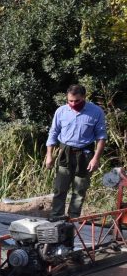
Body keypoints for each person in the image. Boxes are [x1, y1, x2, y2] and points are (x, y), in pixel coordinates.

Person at [45, 84, 107, 219]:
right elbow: (53, 132)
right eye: (70, 101)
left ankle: (73, 220)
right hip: (65, 152)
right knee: (60, 188)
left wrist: (96, 158)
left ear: (84, 97)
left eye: (77, 101)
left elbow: (101, 137)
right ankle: (56, 217)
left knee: (79, 190)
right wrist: (49, 155)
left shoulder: (96, 112)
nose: (73, 104)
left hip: (85, 154)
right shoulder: (61, 111)